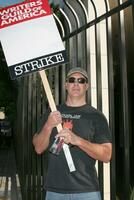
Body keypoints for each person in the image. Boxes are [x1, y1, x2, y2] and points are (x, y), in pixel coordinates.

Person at [33, 67, 112, 200]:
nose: (76, 84)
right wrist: (48, 125)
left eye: (81, 80)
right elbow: (38, 148)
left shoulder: (96, 116)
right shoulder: (52, 111)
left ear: (86, 86)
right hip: (54, 191)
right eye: (72, 80)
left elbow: (106, 155)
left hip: (87, 191)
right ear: (66, 85)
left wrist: (78, 140)